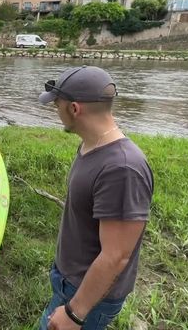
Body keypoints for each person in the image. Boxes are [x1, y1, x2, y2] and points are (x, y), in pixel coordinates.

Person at [37, 66, 153, 330]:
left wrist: (75, 314)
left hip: (87, 299)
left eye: (57, 105)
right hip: (70, 282)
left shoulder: (122, 169)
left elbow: (116, 255)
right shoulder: (91, 145)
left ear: (75, 109)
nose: (56, 111)